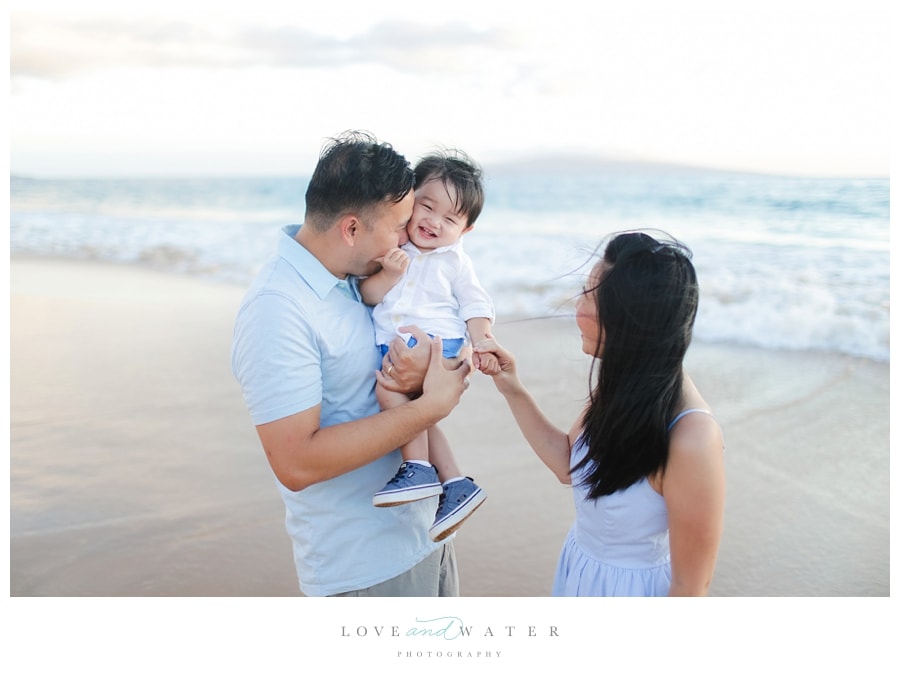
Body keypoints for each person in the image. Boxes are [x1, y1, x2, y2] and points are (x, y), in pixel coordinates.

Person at [231, 131, 472, 597]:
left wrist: (435, 368)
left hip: (428, 537)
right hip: (366, 568)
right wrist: (429, 408)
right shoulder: (277, 309)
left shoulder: (358, 276)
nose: (407, 237)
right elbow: (296, 463)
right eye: (399, 225)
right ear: (352, 229)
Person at [475, 231, 725, 596]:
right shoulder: (627, 387)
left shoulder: (692, 437)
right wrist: (511, 386)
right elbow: (569, 465)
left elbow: (691, 586)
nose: (577, 308)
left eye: (590, 296)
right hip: (579, 570)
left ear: (627, 320)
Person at [359, 150, 498, 542]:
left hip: (436, 344)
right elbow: (369, 296)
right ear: (410, 199)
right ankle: (455, 484)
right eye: (427, 206)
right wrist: (388, 274)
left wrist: (482, 340)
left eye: (450, 219)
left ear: (466, 230)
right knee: (421, 414)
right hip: (408, 344)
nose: (434, 222)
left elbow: (475, 303)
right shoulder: (395, 250)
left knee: (389, 391)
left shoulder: (454, 261)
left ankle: (418, 469)